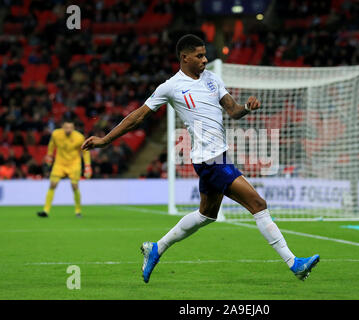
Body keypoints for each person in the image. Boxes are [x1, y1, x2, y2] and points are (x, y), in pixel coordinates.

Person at [82, 34, 319, 283]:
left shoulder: (212, 79)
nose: (205, 60)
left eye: (205, 55)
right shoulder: (171, 86)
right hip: (210, 160)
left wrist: (247, 108)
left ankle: (156, 248)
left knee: (206, 214)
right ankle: (294, 264)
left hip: (217, 156)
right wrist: (105, 140)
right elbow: (138, 117)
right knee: (258, 204)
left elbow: (233, 110)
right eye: (199, 56)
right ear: (184, 58)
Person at [37, 119, 92, 218]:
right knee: (52, 185)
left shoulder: (79, 137)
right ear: (62, 127)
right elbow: (51, 145)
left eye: (70, 127)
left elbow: (85, 151)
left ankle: (78, 211)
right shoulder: (56, 134)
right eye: (66, 127)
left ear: (73, 128)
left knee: (74, 186)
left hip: (74, 164)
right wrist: (49, 156)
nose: (68, 129)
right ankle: (46, 211)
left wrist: (87, 166)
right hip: (60, 163)